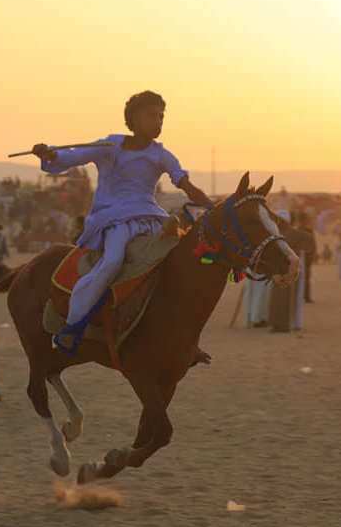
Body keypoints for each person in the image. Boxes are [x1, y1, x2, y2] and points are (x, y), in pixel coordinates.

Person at [31, 90, 212, 351]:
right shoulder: (110, 146)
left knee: (179, 263)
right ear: (133, 119)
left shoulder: (162, 155)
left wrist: (214, 206)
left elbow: (186, 185)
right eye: (152, 116)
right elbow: (69, 157)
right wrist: (48, 155)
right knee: (112, 262)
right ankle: (73, 324)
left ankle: (183, 340)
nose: (159, 121)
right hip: (114, 220)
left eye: (162, 116)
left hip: (151, 218)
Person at [297, 212, 317, 303]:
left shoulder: (296, 230)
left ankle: (302, 296)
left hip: (300, 257)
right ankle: (306, 297)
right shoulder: (309, 231)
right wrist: (313, 255)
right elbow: (313, 245)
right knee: (305, 278)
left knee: (300, 278)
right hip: (305, 257)